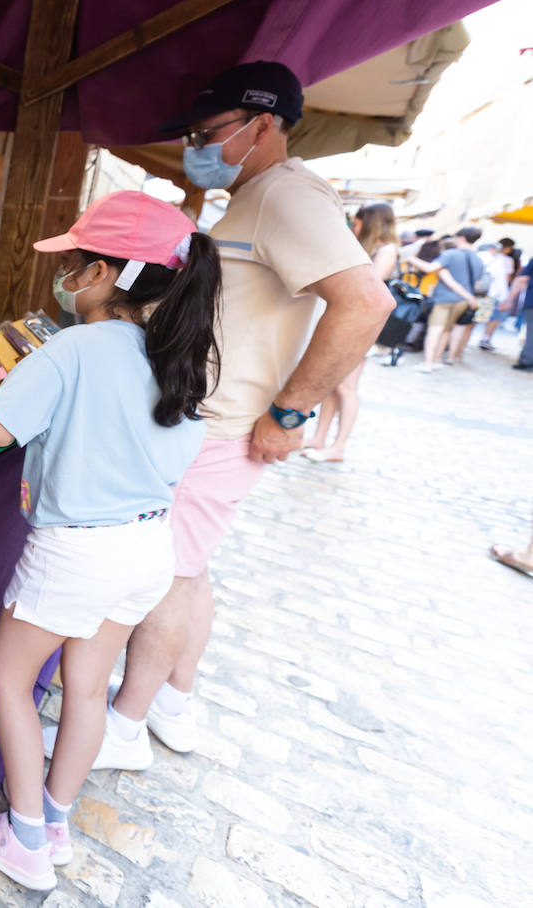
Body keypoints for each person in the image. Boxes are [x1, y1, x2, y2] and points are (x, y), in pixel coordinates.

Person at [86, 62, 392, 769]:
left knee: (166, 573)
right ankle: (172, 702)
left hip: (226, 424)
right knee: (190, 571)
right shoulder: (261, 197)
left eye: (207, 132)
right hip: (215, 419)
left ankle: (123, 729)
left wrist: (291, 412)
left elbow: (367, 302)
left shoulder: (287, 195)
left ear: (262, 125)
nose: (196, 145)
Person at [0, 191, 221, 891]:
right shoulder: (177, 353)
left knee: (11, 677)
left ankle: (25, 839)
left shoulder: (73, 347)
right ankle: (58, 820)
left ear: (104, 272)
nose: (65, 276)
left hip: (76, 552)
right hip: (146, 548)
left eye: (72, 263)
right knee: (90, 687)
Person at [301, 203, 398, 462]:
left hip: (364, 324)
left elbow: (369, 287)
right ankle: (320, 438)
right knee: (334, 383)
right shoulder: (371, 248)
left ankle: (338, 446)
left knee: (346, 385)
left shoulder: (386, 251)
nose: (354, 227)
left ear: (371, 222)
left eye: (357, 223)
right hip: (355, 320)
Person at [407, 228, 482, 371]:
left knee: (435, 330)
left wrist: (411, 258)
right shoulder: (477, 258)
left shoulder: (450, 254)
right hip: (464, 300)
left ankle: (428, 363)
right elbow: (477, 285)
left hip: (444, 298)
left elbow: (430, 268)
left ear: (461, 238)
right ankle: (436, 359)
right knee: (446, 330)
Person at [479, 239, 519, 350]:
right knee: (496, 317)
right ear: (508, 248)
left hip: (485, 291)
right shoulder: (507, 260)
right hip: (500, 293)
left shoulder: (489, 257)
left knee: (481, 316)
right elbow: (508, 278)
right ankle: (486, 338)